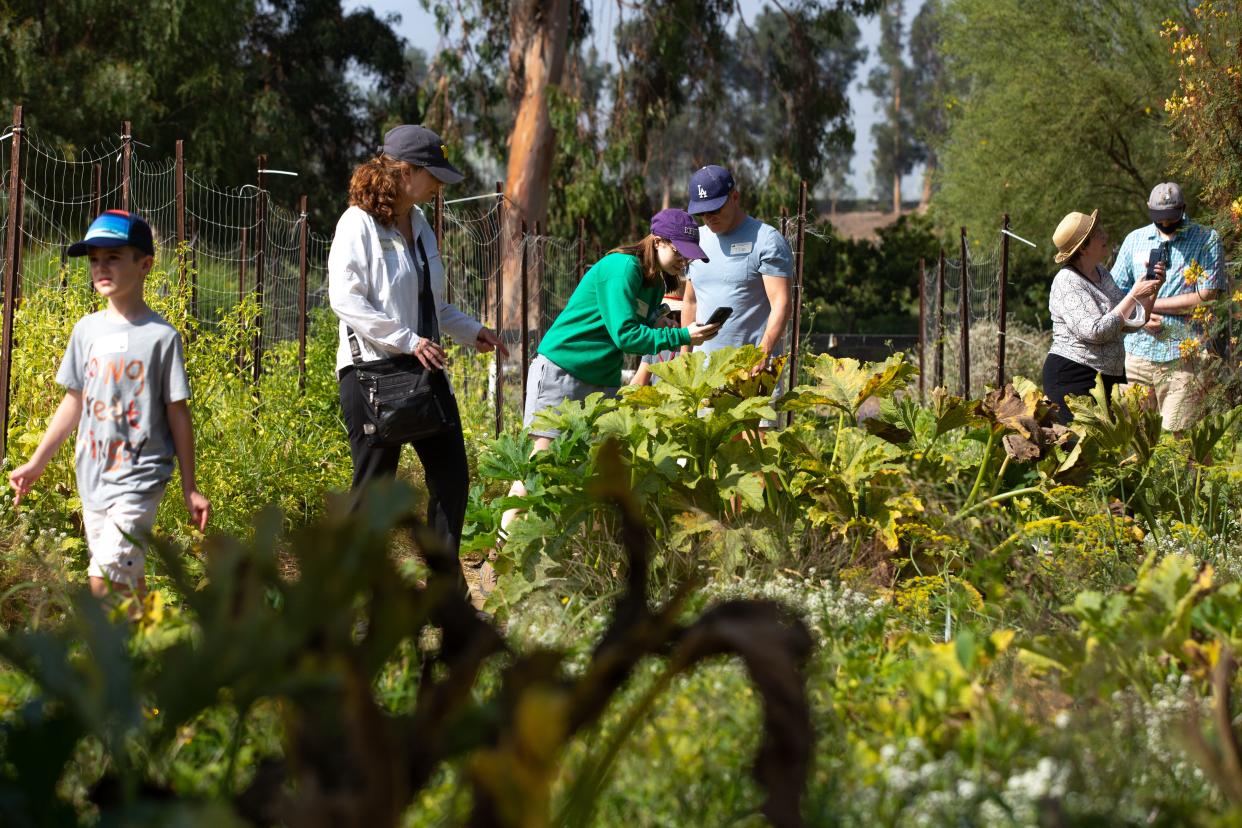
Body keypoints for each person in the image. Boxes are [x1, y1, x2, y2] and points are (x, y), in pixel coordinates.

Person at [8, 210, 210, 609]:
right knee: (125, 586)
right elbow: (73, 403)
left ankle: (106, 664)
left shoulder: (161, 338)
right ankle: (153, 652)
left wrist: (190, 487)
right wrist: (36, 463)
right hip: (94, 478)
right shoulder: (86, 331)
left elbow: (177, 413)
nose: (101, 266)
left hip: (140, 480)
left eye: (114, 257)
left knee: (102, 581)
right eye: (95, 259)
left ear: (145, 264)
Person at [328, 124, 506, 566]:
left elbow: (433, 303)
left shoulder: (421, 225)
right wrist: (407, 340)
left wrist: (472, 330)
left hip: (425, 371)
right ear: (406, 172)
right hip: (373, 374)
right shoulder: (358, 223)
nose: (439, 186)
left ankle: (444, 592)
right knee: (372, 495)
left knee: (452, 479)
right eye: (434, 175)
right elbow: (345, 300)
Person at [499, 209, 720, 535]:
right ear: (657, 241)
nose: (683, 262)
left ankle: (563, 553)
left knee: (588, 475)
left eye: (689, 257)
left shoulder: (656, 284)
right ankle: (503, 552)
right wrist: (683, 335)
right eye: (679, 252)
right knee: (539, 469)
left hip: (601, 380)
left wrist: (658, 323)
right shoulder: (622, 269)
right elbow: (626, 336)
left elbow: (634, 325)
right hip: (562, 371)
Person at [680, 165, 793, 425]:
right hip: (705, 375)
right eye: (702, 212)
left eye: (715, 209)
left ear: (735, 197)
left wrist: (762, 353)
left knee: (756, 461)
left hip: (753, 374)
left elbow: (781, 303)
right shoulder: (696, 240)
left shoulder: (766, 240)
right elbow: (690, 301)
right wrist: (685, 355)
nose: (709, 217)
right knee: (709, 460)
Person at [1111, 182, 1225, 432]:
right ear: (1149, 209)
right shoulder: (1134, 239)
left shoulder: (1207, 239)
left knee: (1182, 438)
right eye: (1159, 217)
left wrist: (1151, 307)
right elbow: (1114, 291)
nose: (1164, 223)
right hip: (1136, 356)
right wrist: (1137, 314)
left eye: (1170, 217)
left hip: (1184, 357)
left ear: (1183, 209)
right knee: (1133, 437)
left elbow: (1207, 295)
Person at [1043, 209, 1161, 424]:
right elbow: (1095, 331)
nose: (1105, 235)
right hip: (1074, 377)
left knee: (1104, 452)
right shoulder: (1067, 281)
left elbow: (1131, 320)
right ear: (1084, 247)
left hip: (1105, 378)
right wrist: (1133, 294)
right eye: (1098, 233)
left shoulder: (1101, 273)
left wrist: (1152, 289)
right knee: (1079, 451)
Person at [629, 282, 685, 386]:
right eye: (670, 315)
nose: (674, 323)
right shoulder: (654, 341)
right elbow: (639, 382)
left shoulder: (694, 345)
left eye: (679, 316)